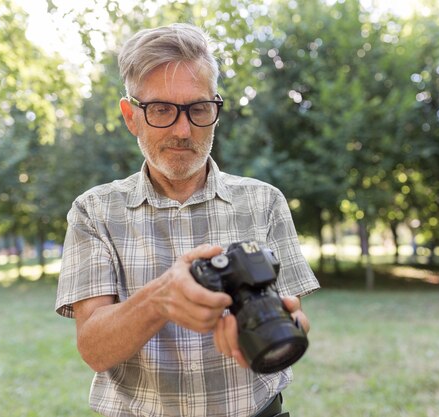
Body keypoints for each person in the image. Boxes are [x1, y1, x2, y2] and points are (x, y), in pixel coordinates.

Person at [55, 23, 320, 417]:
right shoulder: (94, 211)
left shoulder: (264, 201)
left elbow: (290, 306)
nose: (183, 130)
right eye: (161, 110)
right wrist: (160, 299)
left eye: (198, 109)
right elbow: (93, 349)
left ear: (215, 109)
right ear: (131, 116)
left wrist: (284, 318)